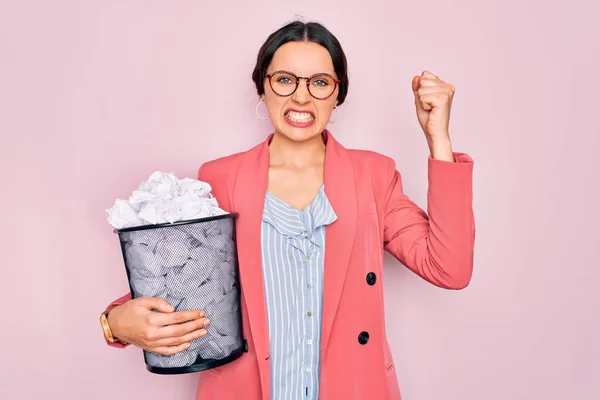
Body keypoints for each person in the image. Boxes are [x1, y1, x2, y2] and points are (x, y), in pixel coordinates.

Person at [100, 20, 475, 400]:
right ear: (263, 86)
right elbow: (177, 278)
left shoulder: (372, 175)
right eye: (285, 79)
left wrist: (438, 139)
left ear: (337, 94)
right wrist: (115, 322)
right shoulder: (221, 178)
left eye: (320, 82)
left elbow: (449, 267)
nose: (301, 97)